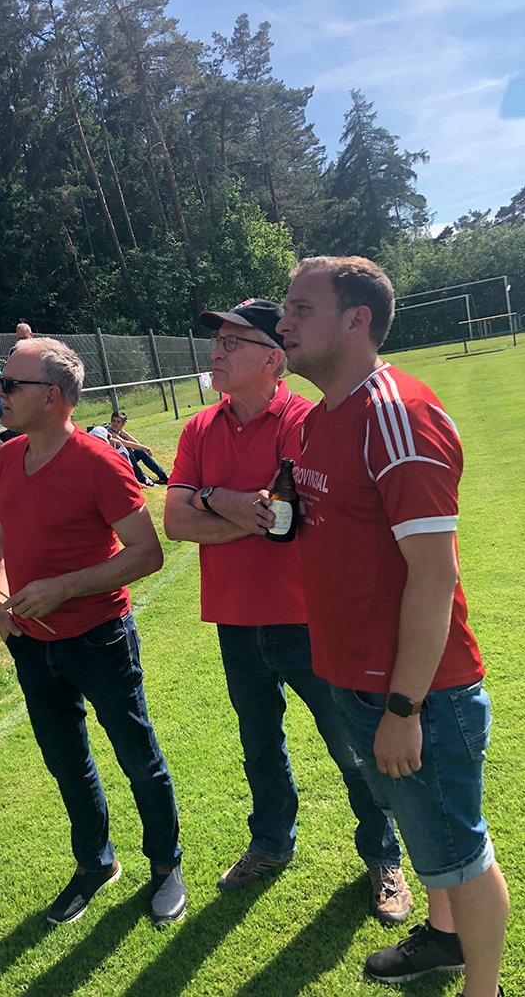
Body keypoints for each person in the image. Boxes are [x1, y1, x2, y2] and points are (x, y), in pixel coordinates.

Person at [278, 256, 508, 997]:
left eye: (301, 308)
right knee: (426, 835)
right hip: (357, 680)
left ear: (357, 321)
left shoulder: (396, 414)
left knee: (460, 851)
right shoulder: (320, 418)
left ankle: (483, 988)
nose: (283, 322)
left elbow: (435, 575)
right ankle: (444, 939)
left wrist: (405, 708)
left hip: (419, 693)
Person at [163, 297, 409, 924]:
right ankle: (272, 843)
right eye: (217, 341)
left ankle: (384, 857)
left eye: (232, 343)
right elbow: (177, 522)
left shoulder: (307, 421)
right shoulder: (199, 428)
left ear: (273, 358)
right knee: (259, 746)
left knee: (351, 748)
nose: (215, 353)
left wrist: (225, 506)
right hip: (235, 619)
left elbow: (290, 520)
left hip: (310, 620)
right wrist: (228, 500)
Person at [0, 337, 186, 927]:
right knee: (65, 760)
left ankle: (165, 863)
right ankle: (95, 863)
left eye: (9, 384)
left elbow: (147, 553)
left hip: (99, 638)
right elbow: (4, 531)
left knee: (136, 755)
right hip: (31, 643)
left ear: (52, 397)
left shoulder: (99, 462)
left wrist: (65, 587)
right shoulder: (7, 456)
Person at [107, 410, 169, 486]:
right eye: (113, 421)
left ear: (123, 424)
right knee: (128, 449)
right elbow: (125, 443)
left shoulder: (121, 431)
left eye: (118, 422)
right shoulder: (110, 432)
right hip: (115, 463)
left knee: (140, 452)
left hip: (125, 460)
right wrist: (144, 447)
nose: (115, 424)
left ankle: (163, 476)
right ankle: (141, 477)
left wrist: (144, 449)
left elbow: (135, 442)